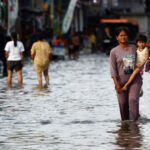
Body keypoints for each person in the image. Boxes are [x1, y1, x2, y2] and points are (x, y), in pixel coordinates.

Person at [109, 27, 142, 121]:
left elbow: (142, 58)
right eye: (121, 35)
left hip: (135, 80)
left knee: (132, 100)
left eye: (125, 35)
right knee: (123, 104)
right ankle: (125, 128)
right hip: (120, 82)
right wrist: (117, 85)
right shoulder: (114, 51)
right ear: (117, 38)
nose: (124, 37)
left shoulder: (134, 48)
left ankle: (134, 124)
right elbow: (112, 69)